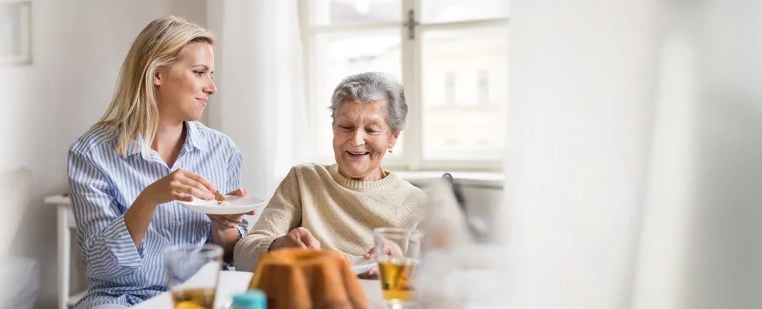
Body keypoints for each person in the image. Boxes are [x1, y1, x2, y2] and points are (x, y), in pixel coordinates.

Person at [68, 16, 252, 309]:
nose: (211, 87)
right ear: (157, 74)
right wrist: (150, 197)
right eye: (199, 72)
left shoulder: (223, 150)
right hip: (120, 300)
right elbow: (102, 268)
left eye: (211, 74)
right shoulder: (91, 153)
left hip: (199, 297)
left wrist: (224, 226)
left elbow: (231, 255)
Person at [234, 72, 467, 276]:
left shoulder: (416, 204)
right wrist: (277, 247)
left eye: (372, 129)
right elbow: (243, 255)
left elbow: (437, 280)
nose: (356, 141)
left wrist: (400, 267)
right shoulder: (304, 179)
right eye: (346, 127)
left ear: (393, 136)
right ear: (334, 127)